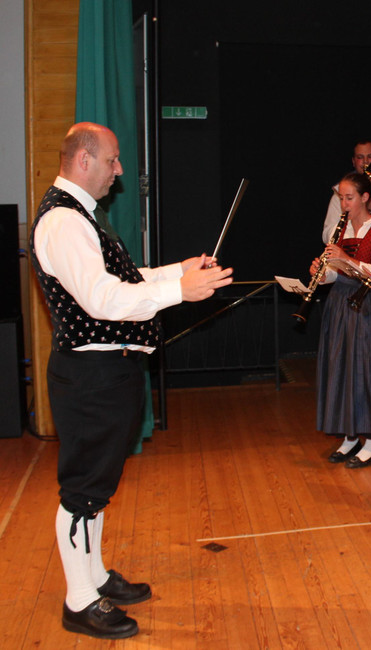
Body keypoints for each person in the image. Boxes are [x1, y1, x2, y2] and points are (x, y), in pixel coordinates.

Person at [31, 122, 234, 639]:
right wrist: (179, 292)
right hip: (90, 376)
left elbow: (125, 280)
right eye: (112, 160)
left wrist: (177, 272)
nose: (119, 170)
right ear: (84, 160)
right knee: (83, 490)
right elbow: (101, 299)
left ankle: (94, 578)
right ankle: (79, 602)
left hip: (106, 374)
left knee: (97, 485)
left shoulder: (81, 215)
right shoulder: (63, 221)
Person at [317, 173, 371, 468]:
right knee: (340, 369)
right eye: (341, 198)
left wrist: (347, 259)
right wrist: (322, 273)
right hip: (339, 304)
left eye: (349, 198)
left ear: (365, 198)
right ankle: (349, 436)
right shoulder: (337, 230)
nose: (344, 204)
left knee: (367, 369)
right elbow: (334, 274)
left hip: (367, 303)